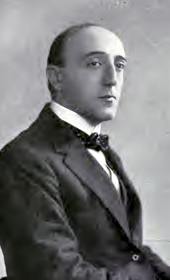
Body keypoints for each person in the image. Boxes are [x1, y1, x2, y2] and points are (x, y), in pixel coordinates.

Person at [0, 23, 169, 280]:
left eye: (120, 65)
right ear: (56, 78)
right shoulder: (24, 159)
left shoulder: (104, 152)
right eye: (94, 64)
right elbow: (55, 273)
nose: (112, 79)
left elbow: (131, 252)